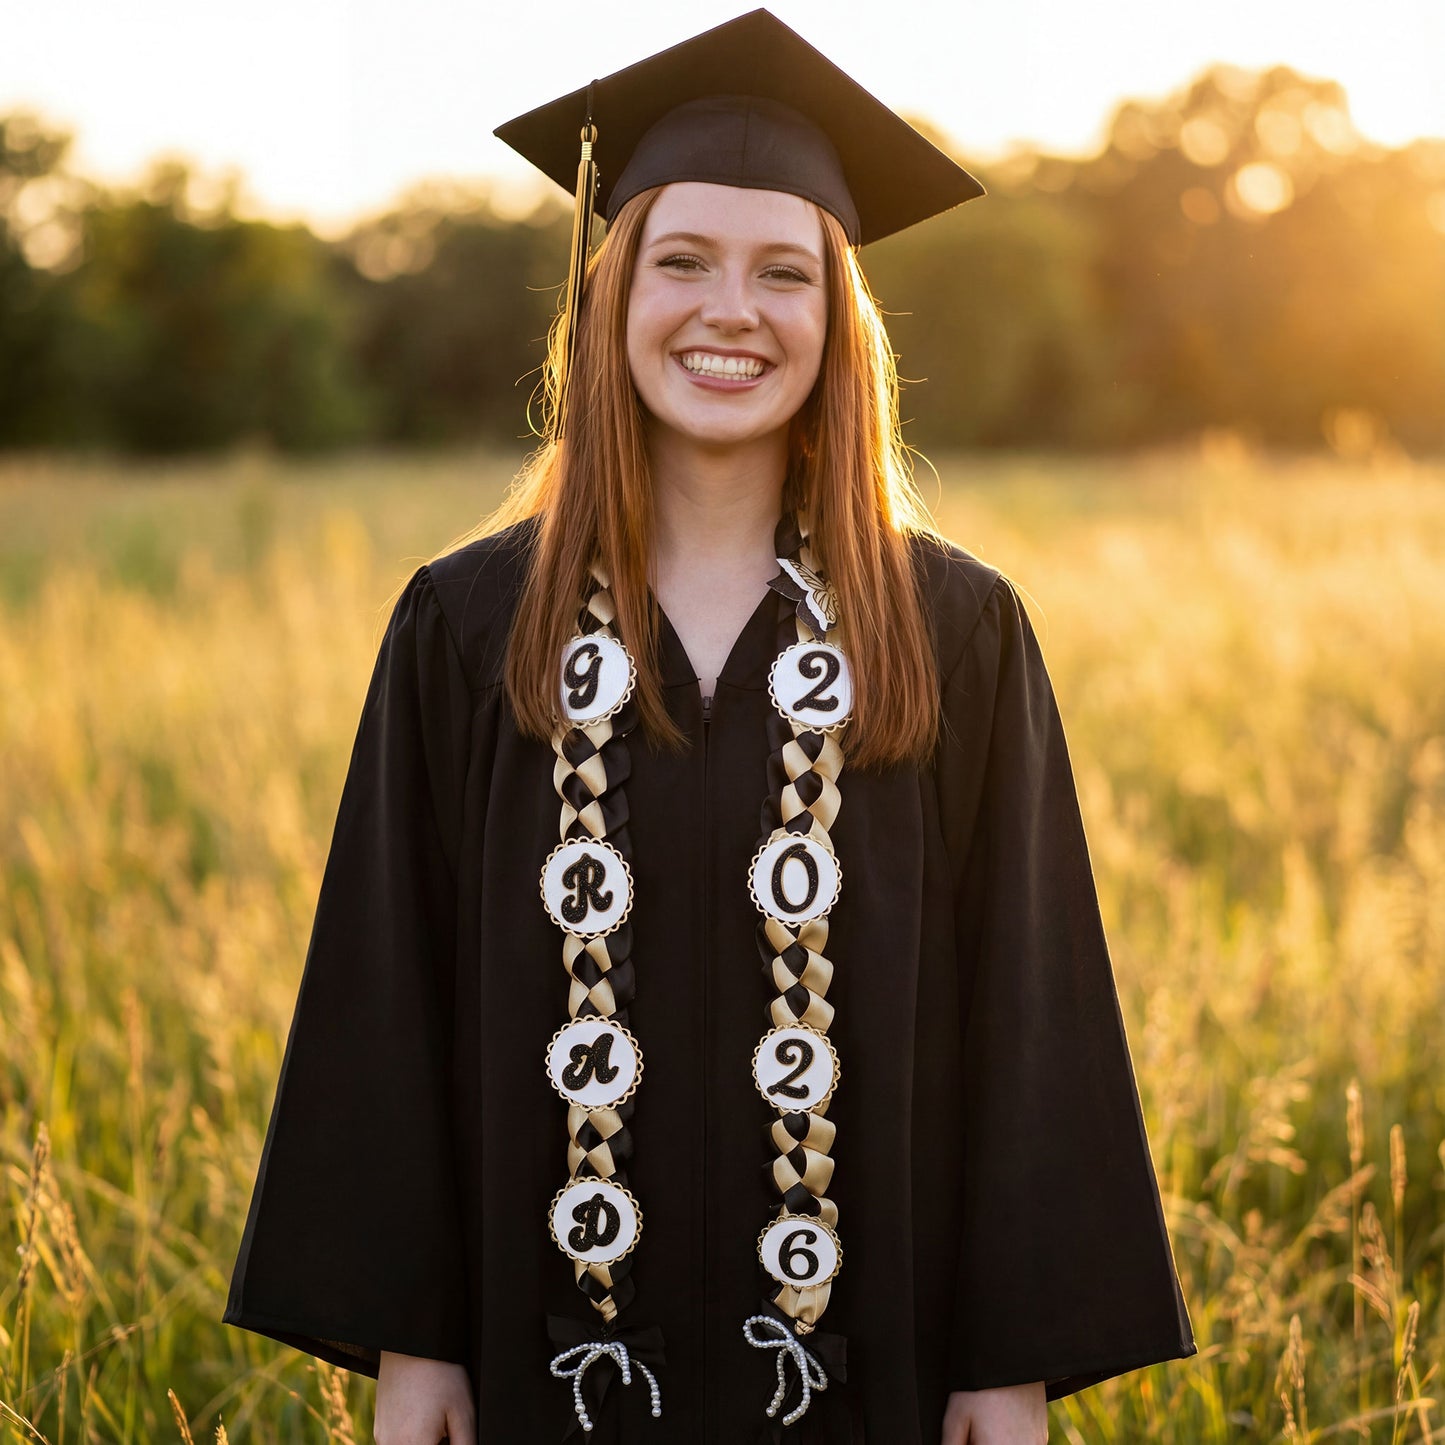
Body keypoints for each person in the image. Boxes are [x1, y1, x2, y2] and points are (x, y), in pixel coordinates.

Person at [222, 10, 1197, 1444]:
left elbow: (1028, 1005)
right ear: (609, 294)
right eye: (680, 260)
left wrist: (1008, 1365)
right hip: (549, 1362)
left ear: (836, 320)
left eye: (782, 272)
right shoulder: (470, 625)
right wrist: (414, 1345)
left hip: (869, 1365)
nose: (729, 310)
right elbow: (389, 990)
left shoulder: (951, 630)